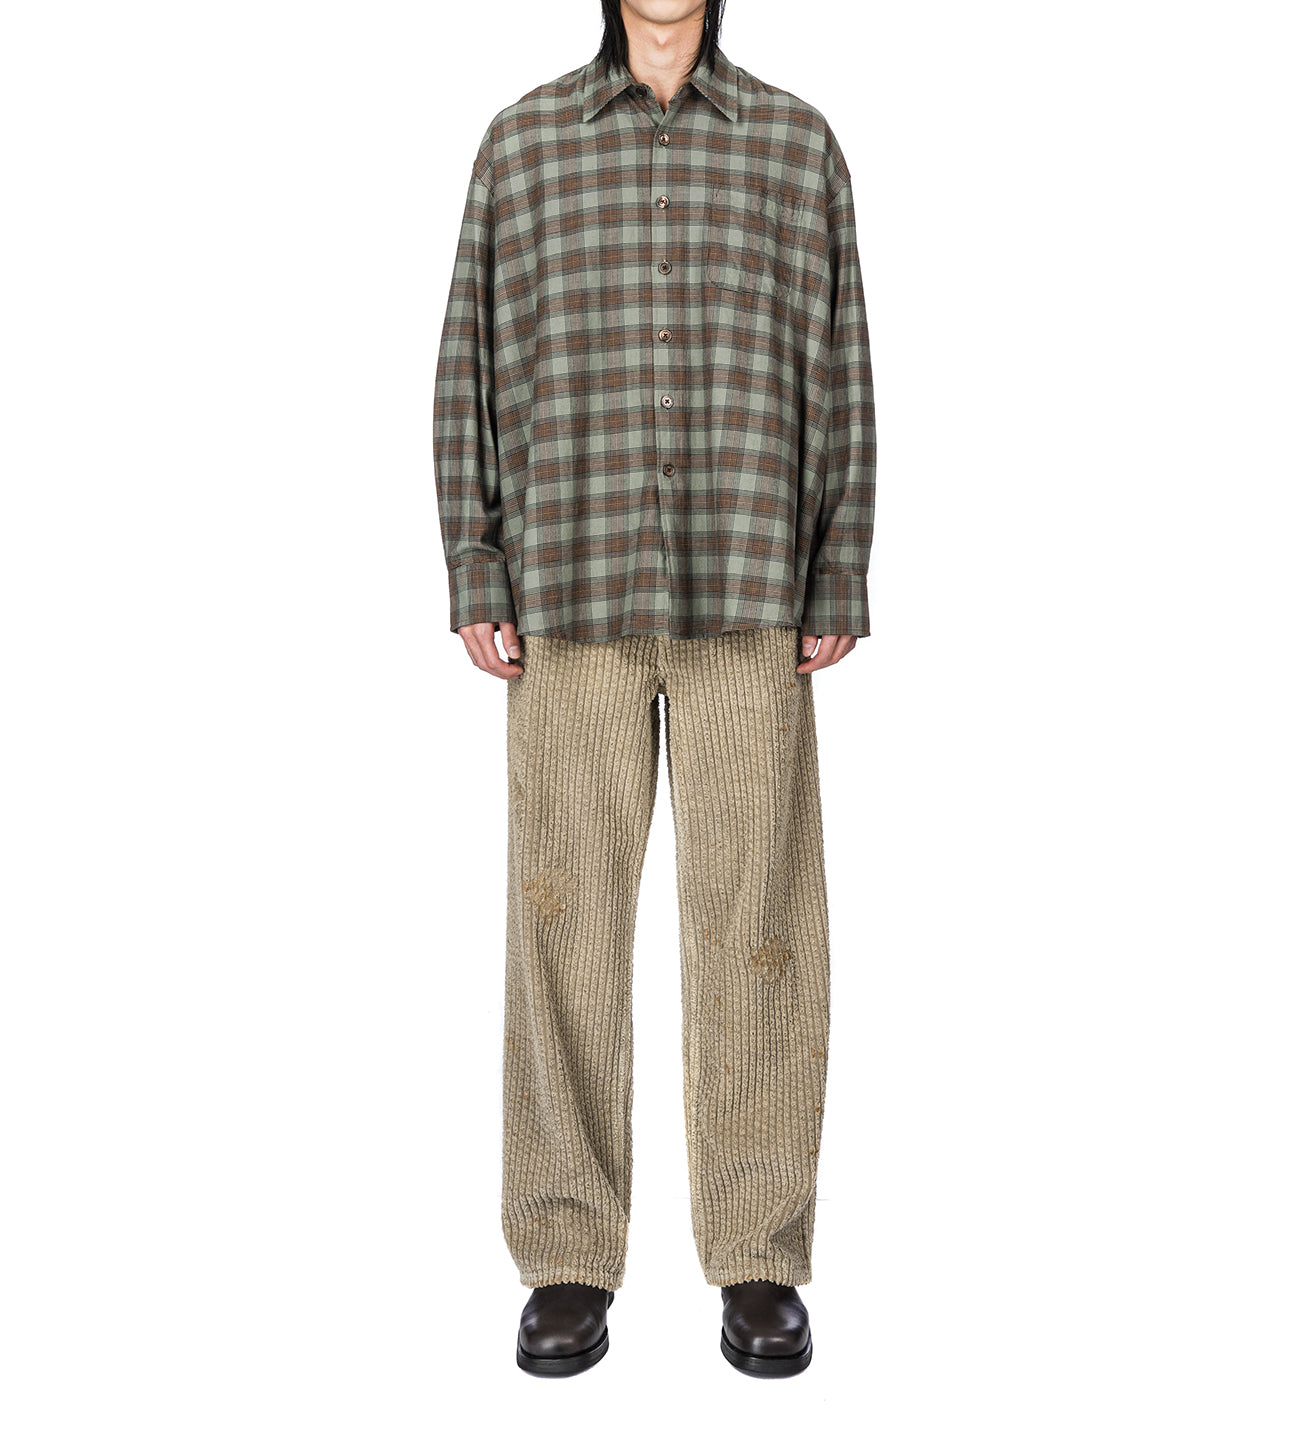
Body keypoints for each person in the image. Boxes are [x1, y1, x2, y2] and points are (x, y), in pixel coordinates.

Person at [432, 0, 874, 1378]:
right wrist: (476, 562)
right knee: (561, 922)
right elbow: (466, 368)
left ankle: (759, 1256)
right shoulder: (522, 147)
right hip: (567, 589)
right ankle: (566, 1255)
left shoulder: (797, 147)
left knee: (761, 926)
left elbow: (842, 367)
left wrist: (837, 569)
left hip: (749, 583)